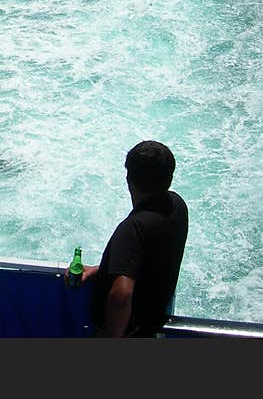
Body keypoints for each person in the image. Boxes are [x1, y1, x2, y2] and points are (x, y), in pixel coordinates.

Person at [78, 140, 188, 337]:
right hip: (151, 327)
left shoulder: (132, 229)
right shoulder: (177, 207)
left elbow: (122, 295)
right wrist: (102, 270)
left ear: (129, 179)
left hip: (128, 333)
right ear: (169, 179)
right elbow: (152, 259)